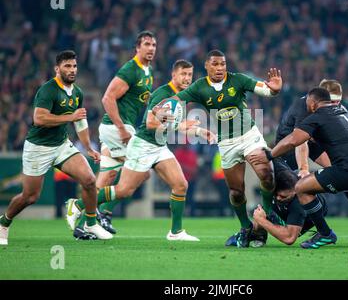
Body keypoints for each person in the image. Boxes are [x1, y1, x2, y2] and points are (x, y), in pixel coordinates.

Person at [70, 60, 216, 241]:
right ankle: (78, 204)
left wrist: (201, 131)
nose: (187, 78)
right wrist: (178, 124)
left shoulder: (182, 96)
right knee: (124, 190)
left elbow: (176, 126)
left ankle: (175, 232)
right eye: (183, 74)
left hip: (160, 147)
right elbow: (150, 123)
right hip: (144, 145)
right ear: (174, 75)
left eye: (189, 75)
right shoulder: (163, 94)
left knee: (181, 185)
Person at [249, 88, 348, 249]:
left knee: (301, 187)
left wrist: (269, 155)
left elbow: (294, 140)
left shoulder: (317, 116)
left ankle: (325, 234)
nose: (307, 106)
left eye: (308, 103)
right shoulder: (343, 112)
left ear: (313, 103)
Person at [154, 50, 283, 247]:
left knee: (266, 174)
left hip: (249, 136)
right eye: (215, 64)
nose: (220, 68)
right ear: (207, 66)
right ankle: (245, 227)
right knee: (236, 192)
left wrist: (273, 89)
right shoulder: (199, 86)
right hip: (226, 143)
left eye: (223, 64)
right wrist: (161, 106)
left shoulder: (238, 80)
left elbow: (264, 88)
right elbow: (177, 99)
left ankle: (266, 216)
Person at [0, 50, 111, 245]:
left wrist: (88, 148)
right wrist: (70, 117)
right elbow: (39, 118)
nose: (72, 70)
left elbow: (80, 123)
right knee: (30, 196)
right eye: (67, 66)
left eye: (74, 66)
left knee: (89, 180)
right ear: (57, 68)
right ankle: (4, 222)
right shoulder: (48, 90)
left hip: (61, 145)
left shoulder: (77, 92)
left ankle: (90, 223)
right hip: (38, 148)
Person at [77, 31, 157, 234]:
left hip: (119, 128)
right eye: (147, 44)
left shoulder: (148, 73)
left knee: (107, 177)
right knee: (142, 172)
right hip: (116, 128)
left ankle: (85, 225)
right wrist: (121, 128)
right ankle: (87, 208)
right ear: (137, 48)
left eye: (154, 45)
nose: (151, 48)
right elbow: (107, 98)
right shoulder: (130, 69)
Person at [275, 79, 348, 229]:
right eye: (333, 101)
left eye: (338, 101)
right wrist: (304, 168)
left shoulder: (334, 107)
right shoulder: (302, 108)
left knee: (342, 169)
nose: (336, 105)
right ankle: (266, 223)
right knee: (283, 187)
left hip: (314, 143)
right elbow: (300, 142)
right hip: (289, 145)